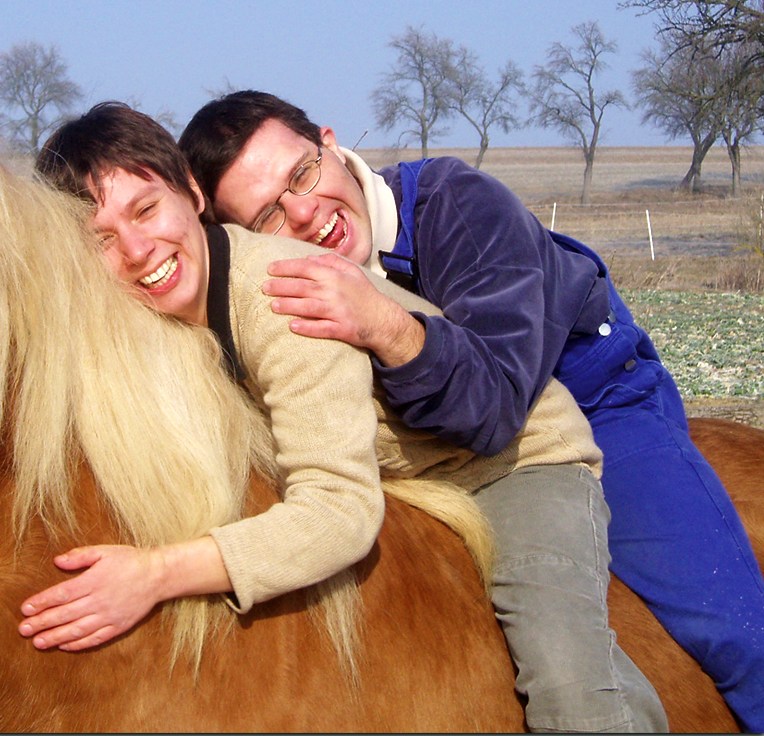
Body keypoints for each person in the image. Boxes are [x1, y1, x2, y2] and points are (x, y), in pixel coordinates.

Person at [30, 102, 667, 733]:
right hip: (404, 476)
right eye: (102, 240)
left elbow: (339, 512)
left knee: (566, 678)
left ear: (192, 193)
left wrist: (154, 574)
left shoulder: (281, 296)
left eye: (146, 210)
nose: (139, 250)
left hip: (510, 463)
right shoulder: (151, 314)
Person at [178, 90, 764, 733]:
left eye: (302, 173)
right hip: (438, 448)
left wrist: (389, 327)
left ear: (329, 141)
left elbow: (498, 406)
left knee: (726, 626)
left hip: (578, 403)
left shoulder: (456, 205)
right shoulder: (270, 287)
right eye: (268, 216)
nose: (307, 212)